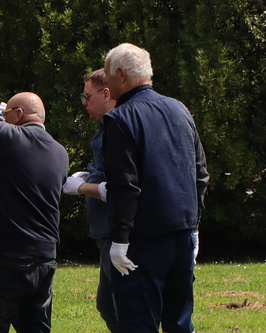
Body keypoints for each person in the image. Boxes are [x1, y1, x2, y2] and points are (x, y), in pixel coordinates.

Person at [102, 43, 208, 333]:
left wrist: (120, 238)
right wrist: (193, 225)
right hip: (182, 233)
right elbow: (200, 173)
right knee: (180, 321)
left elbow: (125, 185)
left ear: (121, 75)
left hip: (144, 239)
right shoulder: (180, 110)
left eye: (108, 75)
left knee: (139, 322)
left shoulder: (120, 118)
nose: (106, 83)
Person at [0, 91, 69, 333]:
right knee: (36, 327)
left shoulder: (7, 136)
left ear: (18, 114)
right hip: (46, 255)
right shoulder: (60, 152)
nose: (3, 119)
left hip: (7, 253)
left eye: (6, 114)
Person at [63, 68, 118, 332]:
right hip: (105, 231)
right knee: (107, 306)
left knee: (119, 307)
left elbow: (120, 186)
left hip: (115, 231)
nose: (84, 102)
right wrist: (90, 172)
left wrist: (83, 186)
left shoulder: (117, 128)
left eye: (87, 96)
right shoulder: (104, 126)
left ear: (106, 93)